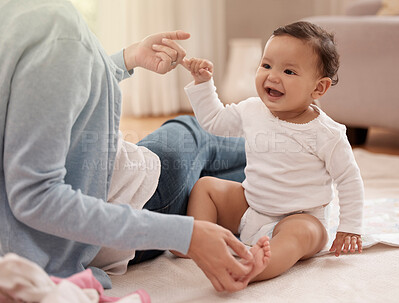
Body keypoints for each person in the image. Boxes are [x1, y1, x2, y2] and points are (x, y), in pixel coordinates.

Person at [0, 0, 256, 292]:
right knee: (196, 132)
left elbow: (39, 96)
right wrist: (184, 234)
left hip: (103, 232)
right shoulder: (55, 29)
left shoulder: (15, 18)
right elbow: (35, 196)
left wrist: (126, 59)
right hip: (142, 200)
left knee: (251, 185)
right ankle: (299, 150)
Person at [180, 21, 364, 283]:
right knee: (206, 187)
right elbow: (215, 122)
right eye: (266, 65)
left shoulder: (327, 133)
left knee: (300, 234)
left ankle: (251, 269)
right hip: (251, 205)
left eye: (289, 71)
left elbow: (349, 180)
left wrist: (350, 228)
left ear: (318, 88)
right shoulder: (252, 109)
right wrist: (202, 83)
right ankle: (198, 239)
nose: (273, 76)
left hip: (300, 216)